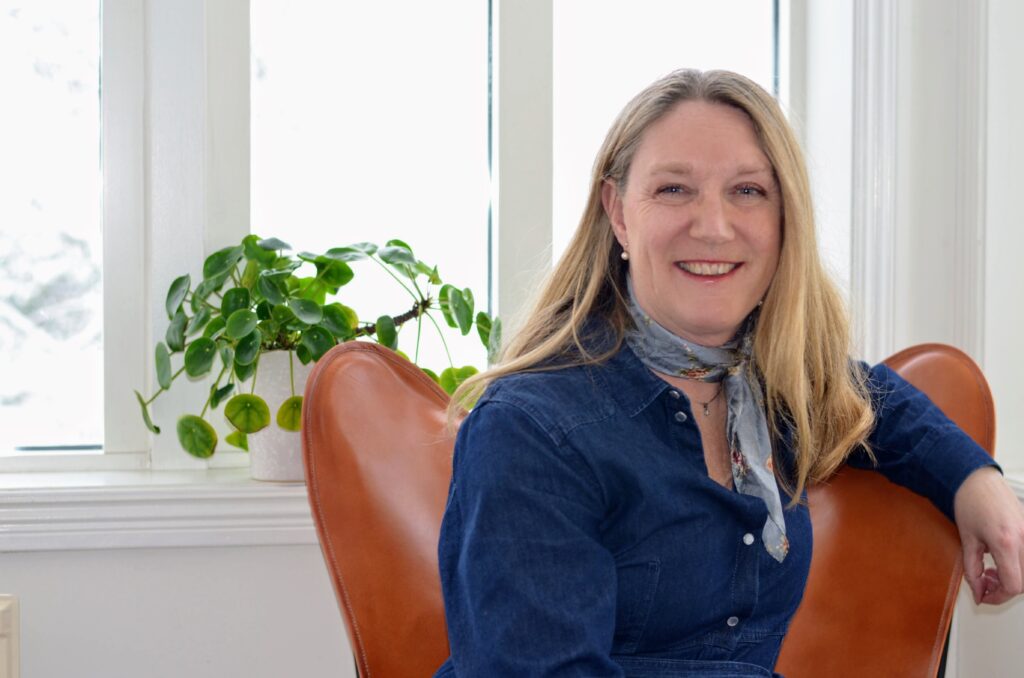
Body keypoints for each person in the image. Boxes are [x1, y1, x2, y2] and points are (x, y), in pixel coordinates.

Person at [432, 69, 1024, 677]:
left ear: (783, 220)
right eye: (673, 190)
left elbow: (868, 397)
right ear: (618, 213)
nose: (713, 226)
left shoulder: (772, 387)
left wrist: (975, 481)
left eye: (747, 191)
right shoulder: (531, 431)